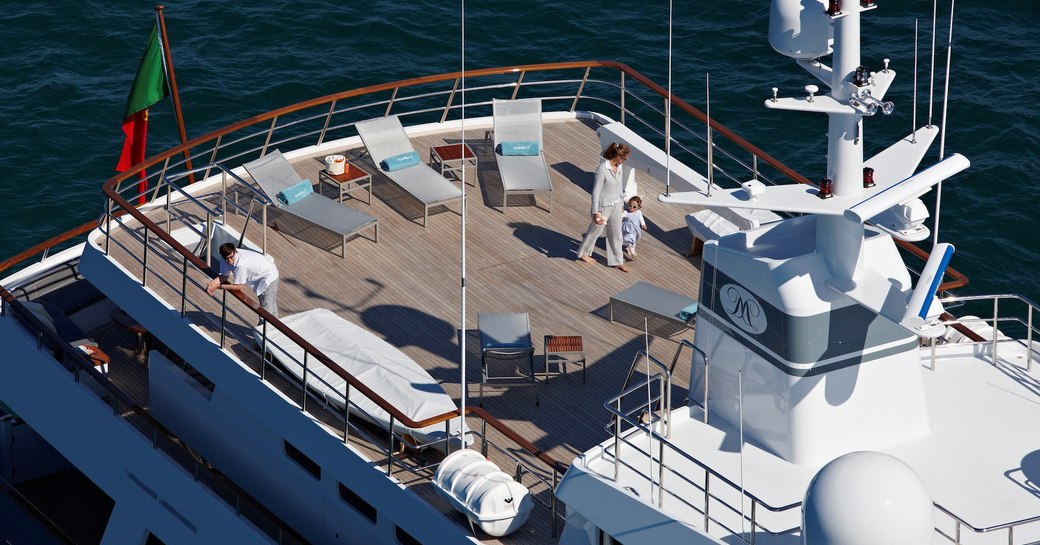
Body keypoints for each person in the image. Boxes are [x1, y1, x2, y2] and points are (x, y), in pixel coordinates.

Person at [576, 142, 631, 272]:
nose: (625, 161)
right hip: (603, 207)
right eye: (625, 158)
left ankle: (617, 261)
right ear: (618, 156)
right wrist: (596, 212)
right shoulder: (602, 169)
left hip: (616, 204)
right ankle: (583, 253)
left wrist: (622, 204)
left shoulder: (619, 167)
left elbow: (619, 187)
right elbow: (596, 191)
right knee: (595, 231)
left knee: (616, 233)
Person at [206, 243, 280, 318]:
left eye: (231, 257)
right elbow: (224, 276)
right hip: (265, 273)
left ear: (235, 252)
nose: (230, 261)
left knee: (266, 312)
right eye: (226, 259)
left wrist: (219, 286)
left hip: (268, 278)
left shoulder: (240, 265)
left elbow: (238, 287)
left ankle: (261, 329)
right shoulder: (225, 257)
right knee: (271, 306)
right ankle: (276, 328)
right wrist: (211, 284)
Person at [621, 195, 647, 260]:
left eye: (634, 207)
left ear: (638, 207)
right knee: (630, 239)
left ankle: (628, 248)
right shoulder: (626, 212)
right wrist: (621, 212)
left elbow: (641, 219)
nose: (631, 208)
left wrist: (643, 224)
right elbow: (621, 216)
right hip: (627, 229)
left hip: (635, 229)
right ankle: (633, 253)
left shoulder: (638, 212)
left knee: (633, 239)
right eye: (630, 205)